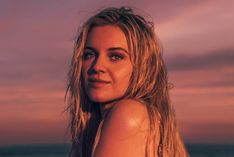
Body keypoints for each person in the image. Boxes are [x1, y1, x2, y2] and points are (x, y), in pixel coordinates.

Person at [65, 6, 189, 157]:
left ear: (142, 67)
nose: (97, 66)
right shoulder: (146, 118)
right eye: (89, 54)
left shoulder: (128, 115)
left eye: (115, 57)